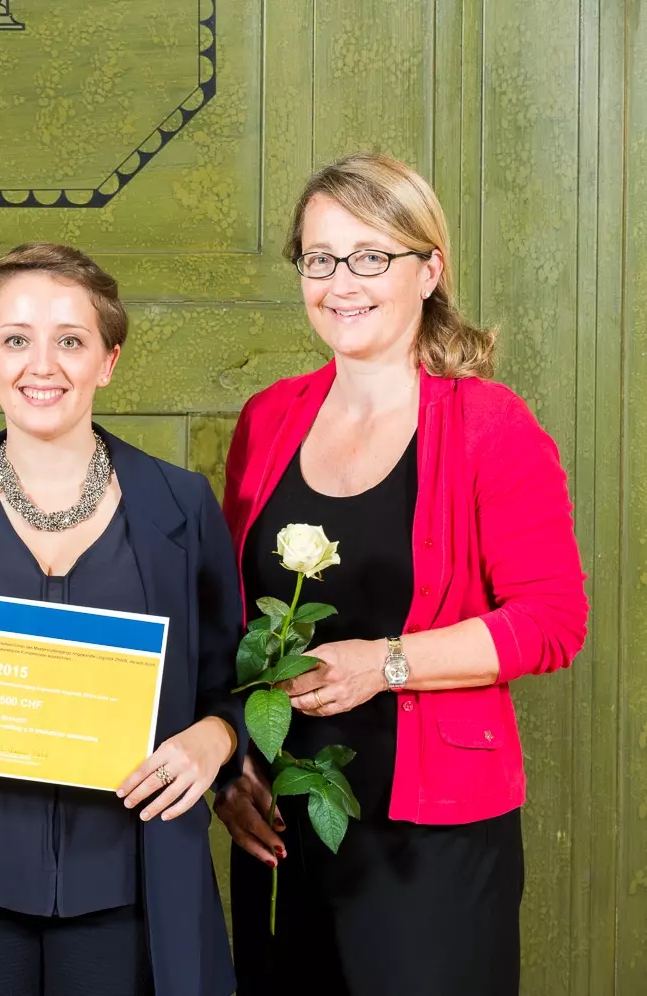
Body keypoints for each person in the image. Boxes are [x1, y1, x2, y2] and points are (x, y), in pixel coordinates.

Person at [215, 152, 590, 995]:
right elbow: (230, 613)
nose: (341, 282)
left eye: (371, 257)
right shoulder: (269, 416)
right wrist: (230, 760)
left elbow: (552, 622)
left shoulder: (491, 425)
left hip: (432, 831)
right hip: (279, 822)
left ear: (430, 269)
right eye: (320, 258)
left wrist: (384, 662)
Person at [0, 242, 243, 996]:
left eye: (70, 340)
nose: (43, 365)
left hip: (136, 890)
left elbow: (227, 687)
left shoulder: (181, 508)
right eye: (16, 340)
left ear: (107, 359)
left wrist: (216, 738)